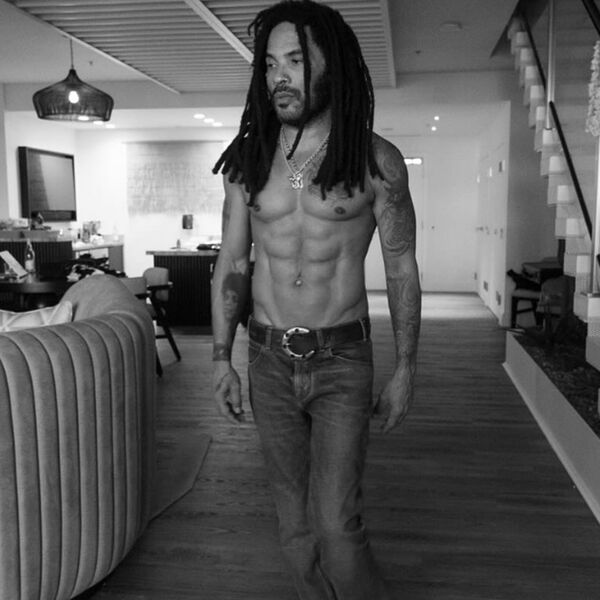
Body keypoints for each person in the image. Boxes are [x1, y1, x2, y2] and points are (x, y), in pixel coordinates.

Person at [210, 1, 421, 598]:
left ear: (333, 65)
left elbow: (401, 266)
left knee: (335, 524)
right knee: (294, 525)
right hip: (267, 357)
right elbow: (233, 262)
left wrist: (407, 366)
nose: (280, 76)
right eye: (270, 64)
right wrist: (221, 357)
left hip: (342, 359)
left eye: (296, 61)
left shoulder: (376, 162)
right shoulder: (247, 163)